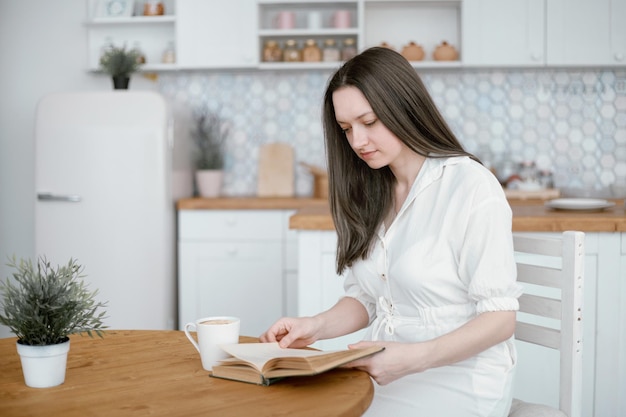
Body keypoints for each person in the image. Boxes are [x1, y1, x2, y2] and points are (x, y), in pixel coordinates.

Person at [260, 47, 523, 417]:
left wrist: (413, 359)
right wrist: (314, 325)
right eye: (346, 129)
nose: (357, 142)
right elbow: (368, 298)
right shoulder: (374, 191)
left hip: (459, 379)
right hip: (383, 370)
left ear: (404, 107)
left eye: (369, 122)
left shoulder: (470, 186)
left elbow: (500, 319)